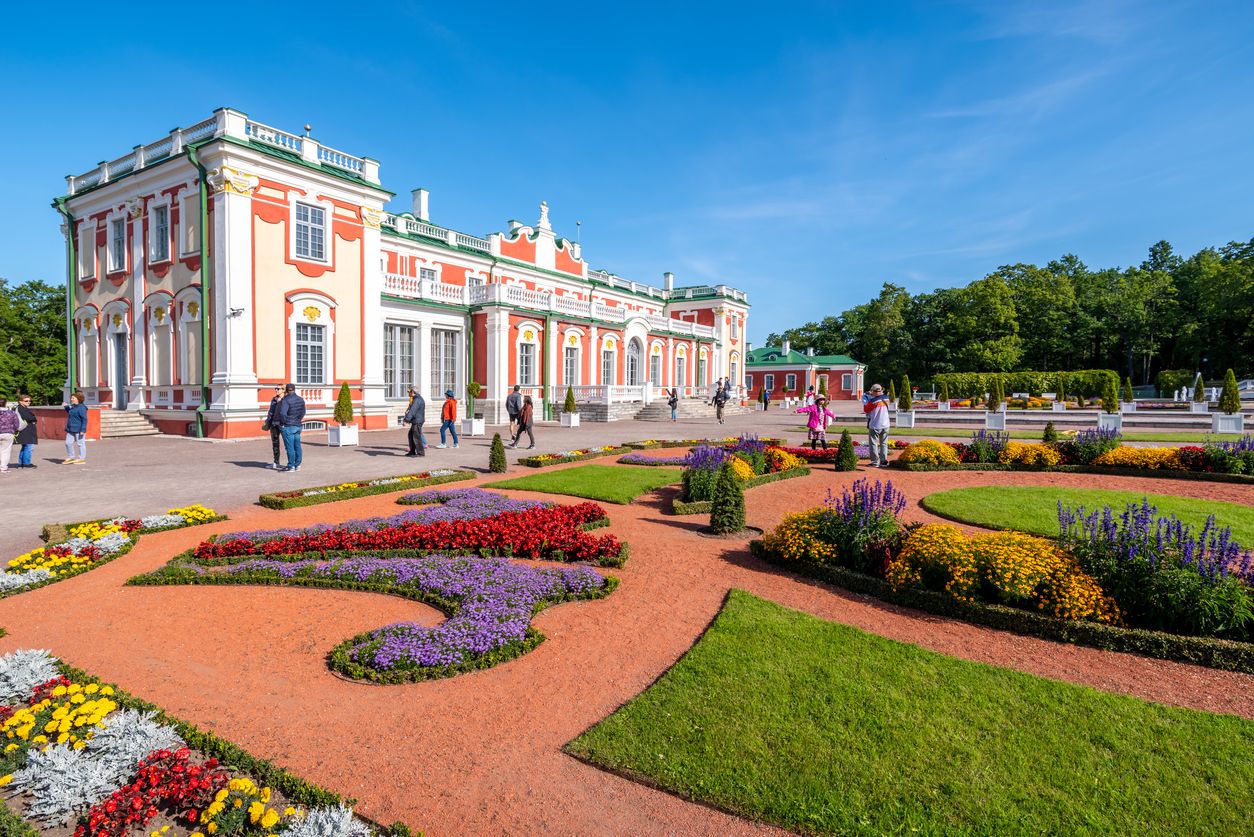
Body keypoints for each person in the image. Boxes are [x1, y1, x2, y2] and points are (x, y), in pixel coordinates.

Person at [276, 383, 307, 472]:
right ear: (294, 389)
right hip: (298, 425)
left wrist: (283, 423)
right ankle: (297, 465)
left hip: (288, 426)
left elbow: (282, 413)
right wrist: (298, 419)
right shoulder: (300, 399)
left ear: (286, 390)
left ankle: (291, 466)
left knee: (290, 447)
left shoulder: (286, 400)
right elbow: (303, 412)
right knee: (297, 446)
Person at [863, 383, 892, 467]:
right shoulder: (886, 398)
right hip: (886, 424)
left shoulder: (873, 401)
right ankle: (883, 461)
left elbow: (866, 409)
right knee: (884, 443)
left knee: (873, 444)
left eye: (872, 391)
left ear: (874, 391)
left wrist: (866, 398)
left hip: (875, 424)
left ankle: (875, 462)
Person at [63, 392, 88, 464]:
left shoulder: (82, 408)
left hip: (79, 429)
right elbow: (71, 412)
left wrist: (83, 429)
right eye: (71, 398)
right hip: (70, 429)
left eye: (73, 398)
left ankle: (81, 459)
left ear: (78, 399)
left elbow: (84, 419)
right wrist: (66, 407)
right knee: (68, 443)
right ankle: (71, 457)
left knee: (80, 444)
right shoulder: (73, 406)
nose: (71, 399)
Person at [262, 386, 283, 469]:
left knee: (287, 444)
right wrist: (268, 422)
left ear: (283, 390)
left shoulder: (286, 400)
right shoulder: (274, 399)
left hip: (283, 424)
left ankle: (291, 464)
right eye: (275, 388)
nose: (276, 390)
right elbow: (271, 411)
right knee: (275, 444)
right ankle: (276, 462)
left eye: (278, 388)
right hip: (274, 424)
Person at [402, 386, 426, 456]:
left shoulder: (417, 400)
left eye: (410, 392)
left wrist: (406, 420)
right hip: (416, 420)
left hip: (417, 421)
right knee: (411, 435)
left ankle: (420, 453)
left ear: (413, 392)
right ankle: (412, 451)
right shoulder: (416, 399)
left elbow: (412, 411)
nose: (409, 393)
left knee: (416, 437)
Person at [16, 395, 37, 468]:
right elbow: (29, 418)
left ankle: (21, 463)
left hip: (25, 430)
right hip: (26, 430)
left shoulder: (21, 408)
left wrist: (33, 418)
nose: (28, 402)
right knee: (29, 447)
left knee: (25, 447)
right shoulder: (21, 409)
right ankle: (26, 463)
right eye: (26, 401)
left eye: (29, 401)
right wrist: (34, 418)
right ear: (20, 401)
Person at [0, 399, 19, 474]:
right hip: (8, 433)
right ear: (5, 404)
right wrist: (15, 430)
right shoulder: (12, 413)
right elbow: (16, 424)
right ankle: (3, 468)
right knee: (5, 451)